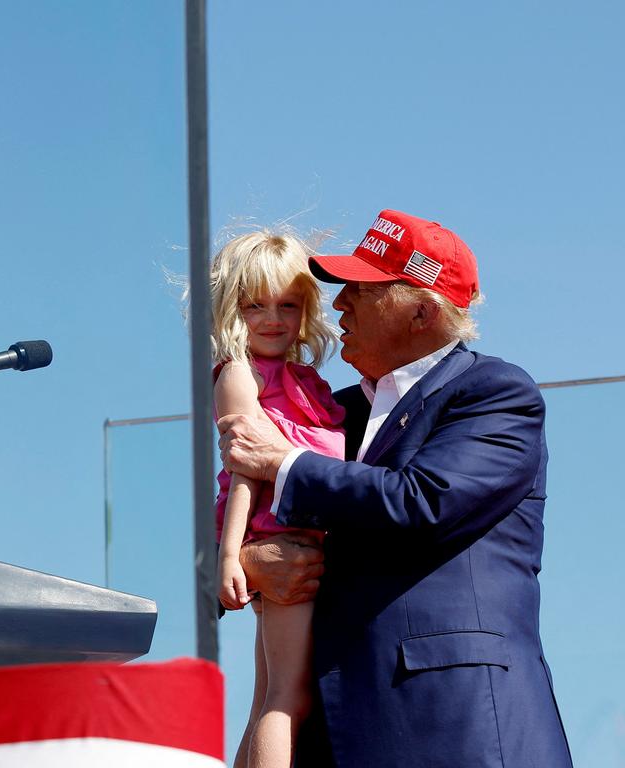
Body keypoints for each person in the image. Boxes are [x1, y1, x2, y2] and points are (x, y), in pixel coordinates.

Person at [218, 210, 573, 768]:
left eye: (360, 289)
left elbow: (424, 501)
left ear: (421, 311)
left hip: (455, 732)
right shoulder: (334, 412)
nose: (339, 305)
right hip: (337, 735)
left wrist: (283, 464)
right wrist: (249, 560)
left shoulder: (494, 393)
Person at [210, 229, 346, 768]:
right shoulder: (240, 374)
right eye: (254, 306)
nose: (273, 319)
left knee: (271, 692)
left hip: (297, 532)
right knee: (288, 696)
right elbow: (244, 467)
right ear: (230, 308)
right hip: (279, 535)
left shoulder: (304, 380)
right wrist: (228, 555)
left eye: (287, 305)